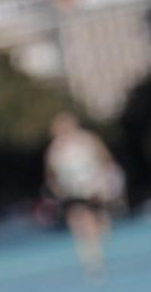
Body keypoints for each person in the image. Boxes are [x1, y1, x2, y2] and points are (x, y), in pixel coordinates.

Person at [44, 113, 123, 280]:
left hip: (93, 188)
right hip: (72, 192)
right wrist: (57, 189)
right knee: (79, 223)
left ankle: (97, 245)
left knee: (98, 224)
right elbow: (51, 175)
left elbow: (106, 159)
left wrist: (105, 180)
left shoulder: (88, 141)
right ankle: (91, 261)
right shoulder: (54, 150)